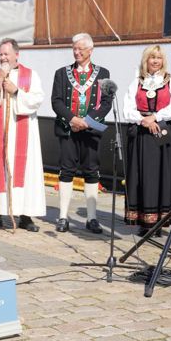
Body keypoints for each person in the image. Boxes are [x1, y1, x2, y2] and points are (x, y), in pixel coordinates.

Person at [0, 38, 46, 232]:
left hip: (23, 131)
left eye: (6, 54)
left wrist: (16, 91)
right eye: (0, 54)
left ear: (17, 54)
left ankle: (26, 216)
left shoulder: (30, 75)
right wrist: (0, 81)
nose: (2, 57)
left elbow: (37, 99)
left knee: (26, 173)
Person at [50, 32, 113, 233]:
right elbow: (56, 101)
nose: (76, 52)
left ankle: (92, 219)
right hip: (69, 129)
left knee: (92, 172)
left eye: (80, 49)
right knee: (66, 171)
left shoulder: (104, 73)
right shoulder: (61, 73)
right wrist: (73, 119)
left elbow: (106, 103)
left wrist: (86, 121)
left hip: (91, 131)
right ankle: (62, 217)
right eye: (74, 49)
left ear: (90, 51)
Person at [123, 45, 171, 237]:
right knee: (143, 176)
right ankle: (145, 222)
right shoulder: (137, 82)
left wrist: (154, 117)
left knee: (162, 175)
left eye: (159, 58)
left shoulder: (170, 81)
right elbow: (128, 109)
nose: (156, 61)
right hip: (142, 133)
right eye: (152, 57)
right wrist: (144, 120)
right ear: (145, 60)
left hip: (163, 131)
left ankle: (161, 221)